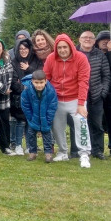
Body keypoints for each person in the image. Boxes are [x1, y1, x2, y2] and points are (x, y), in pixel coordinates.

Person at [43, 34, 92, 168]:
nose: (62, 50)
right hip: (57, 99)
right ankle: (62, 152)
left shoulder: (81, 58)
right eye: (59, 47)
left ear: (70, 46)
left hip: (76, 98)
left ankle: (84, 154)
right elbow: (45, 78)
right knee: (57, 127)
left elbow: (84, 81)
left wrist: (81, 104)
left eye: (65, 47)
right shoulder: (50, 58)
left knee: (81, 125)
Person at [73, 30, 111, 160]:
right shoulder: (74, 54)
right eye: (85, 37)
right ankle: (76, 150)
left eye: (90, 38)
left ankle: (98, 150)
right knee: (77, 124)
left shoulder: (100, 55)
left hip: (96, 96)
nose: (87, 39)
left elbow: (106, 75)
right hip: (78, 96)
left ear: (95, 41)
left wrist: (103, 92)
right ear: (79, 39)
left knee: (97, 125)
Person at [9, 37, 40, 155]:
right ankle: (18, 145)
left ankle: (29, 145)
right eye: (20, 48)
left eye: (25, 48)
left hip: (34, 96)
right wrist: (24, 88)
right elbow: (13, 81)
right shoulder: (13, 62)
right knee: (20, 122)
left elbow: (39, 76)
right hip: (18, 97)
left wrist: (29, 69)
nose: (23, 50)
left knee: (29, 121)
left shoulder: (35, 60)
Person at [20, 70, 57, 162]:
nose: (39, 85)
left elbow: (52, 106)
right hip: (33, 118)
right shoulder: (27, 91)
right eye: (36, 83)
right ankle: (32, 152)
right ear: (32, 81)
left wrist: (48, 119)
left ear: (46, 81)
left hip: (46, 118)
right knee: (31, 135)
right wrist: (30, 118)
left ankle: (48, 153)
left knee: (47, 135)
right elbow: (25, 105)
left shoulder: (51, 91)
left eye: (41, 82)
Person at [96, 30, 111, 157]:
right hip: (96, 92)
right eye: (102, 40)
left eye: (108, 40)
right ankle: (96, 147)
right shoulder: (94, 54)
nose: (105, 42)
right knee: (96, 121)